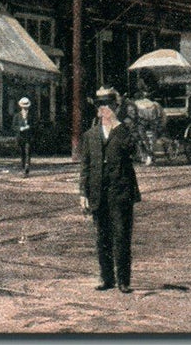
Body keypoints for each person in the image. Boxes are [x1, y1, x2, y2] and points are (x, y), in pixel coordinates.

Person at [79, 87, 141, 293]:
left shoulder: (124, 130)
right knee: (102, 238)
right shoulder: (90, 135)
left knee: (122, 236)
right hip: (98, 193)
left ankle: (124, 280)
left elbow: (133, 150)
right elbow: (85, 167)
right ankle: (107, 279)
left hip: (121, 192)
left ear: (115, 107)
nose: (103, 109)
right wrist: (83, 193)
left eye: (107, 105)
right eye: (100, 105)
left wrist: (118, 125)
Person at [13, 97, 35, 176]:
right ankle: (23, 167)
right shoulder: (17, 116)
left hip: (28, 137)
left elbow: (35, 125)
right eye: (24, 107)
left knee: (27, 151)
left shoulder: (31, 116)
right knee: (22, 152)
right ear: (21, 107)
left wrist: (30, 127)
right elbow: (13, 126)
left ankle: (27, 167)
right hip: (20, 137)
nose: (25, 108)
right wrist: (20, 128)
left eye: (26, 107)